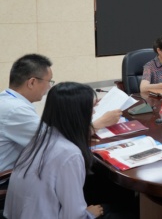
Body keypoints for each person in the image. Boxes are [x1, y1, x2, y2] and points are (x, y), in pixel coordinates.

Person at [0, 54, 121, 179]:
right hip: (9, 179)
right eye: (49, 81)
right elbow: (57, 142)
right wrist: (101, 123)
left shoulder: (8, 99)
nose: (49, 87)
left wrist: (81, 106)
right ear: (32, 82)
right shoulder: (16, 110)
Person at [5, 82, 105, 218]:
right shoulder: (70, 154)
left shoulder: (41, 137)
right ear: (78, 114)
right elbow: (73, 215)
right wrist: (90, 214)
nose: (93, 113)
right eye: (90, 109)